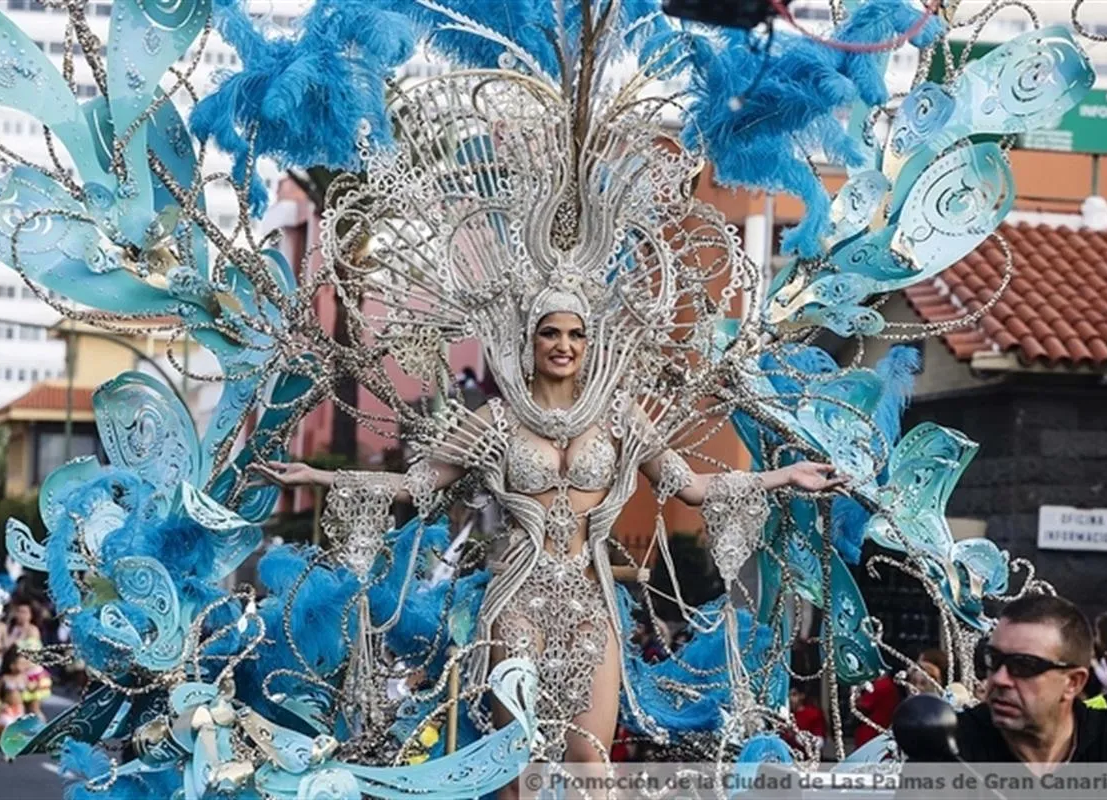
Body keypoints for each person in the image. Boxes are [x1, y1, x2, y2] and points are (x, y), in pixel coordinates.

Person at [254, 301, 847, 775]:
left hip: (592, 606)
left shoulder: (619, 417)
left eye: (575, 334)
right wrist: (323, 475)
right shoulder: (496, 419)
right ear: (530, 343)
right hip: (515, 603)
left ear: (590, 344)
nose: (563, 345)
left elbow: (689, 487)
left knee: (589, 758)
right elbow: (420, 481)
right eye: (550, 333)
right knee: (516, 761)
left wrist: (783, 476)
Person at [950, 595, 1107, 794]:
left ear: (1073, 682)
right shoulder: (952, 746)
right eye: (993, 659)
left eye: (1024, 665)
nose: (999, 679)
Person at [854, 671, 901, 747]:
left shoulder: (880, 686)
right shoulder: (892, 685)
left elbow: (863, 707)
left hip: (870, 733)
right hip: (885, 730)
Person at [785, 681, 826, 752]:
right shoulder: (784, 715)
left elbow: (819, 742)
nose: (790, 699)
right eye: (788, 695)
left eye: (794, 695)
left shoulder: (813, 714)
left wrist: (796, 737)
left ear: (802, 695)